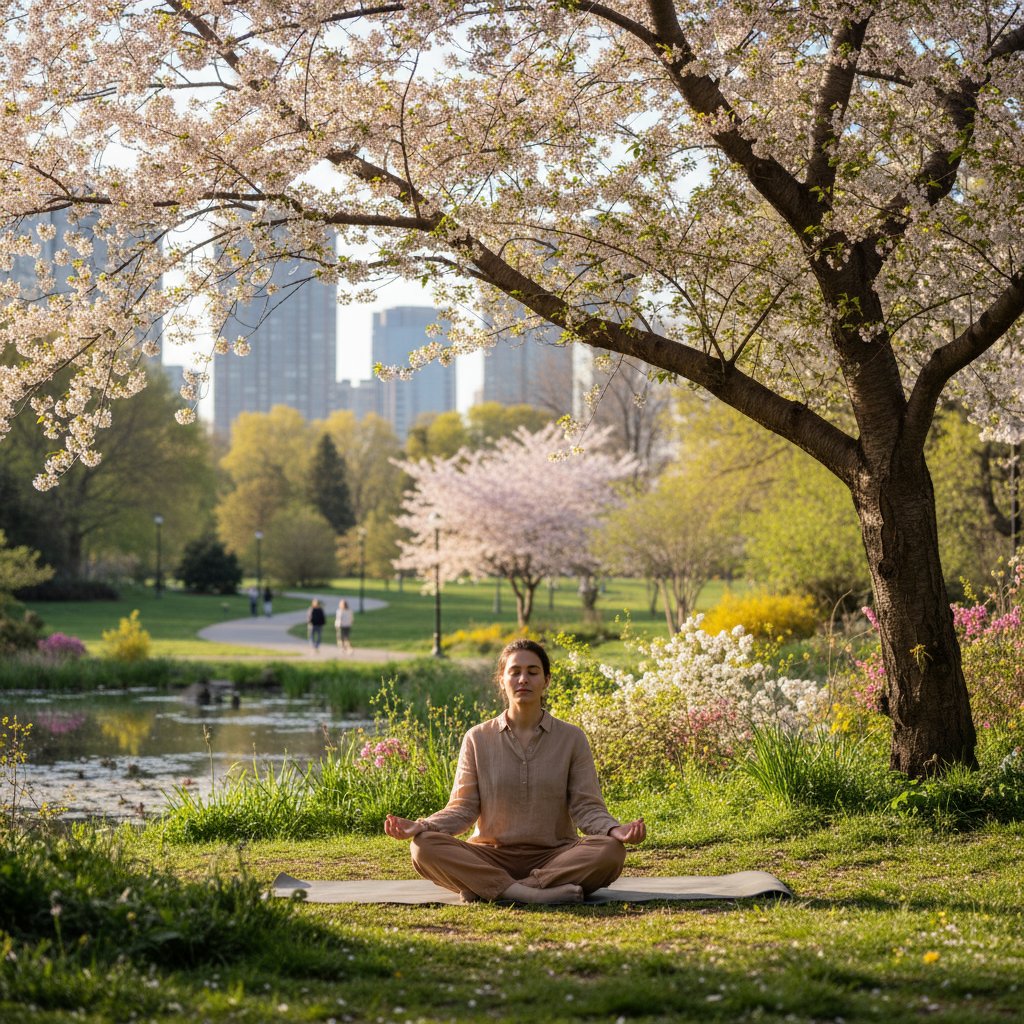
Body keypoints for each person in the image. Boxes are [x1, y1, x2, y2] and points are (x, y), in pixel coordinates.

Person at [384, 638, 646, 904]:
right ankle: (530, 894)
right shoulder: (477, 738)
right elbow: (462, 809)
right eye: (515, 672)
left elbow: (587, 808)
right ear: (501, 680)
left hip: (555, 856)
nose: (523, 679)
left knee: (610, 851)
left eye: (533, 672)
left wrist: (615, 830)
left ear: (546, 681)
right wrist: (423, 825)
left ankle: (493, 889)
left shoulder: (572, 738)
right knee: (423, 846)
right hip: (489, 856)